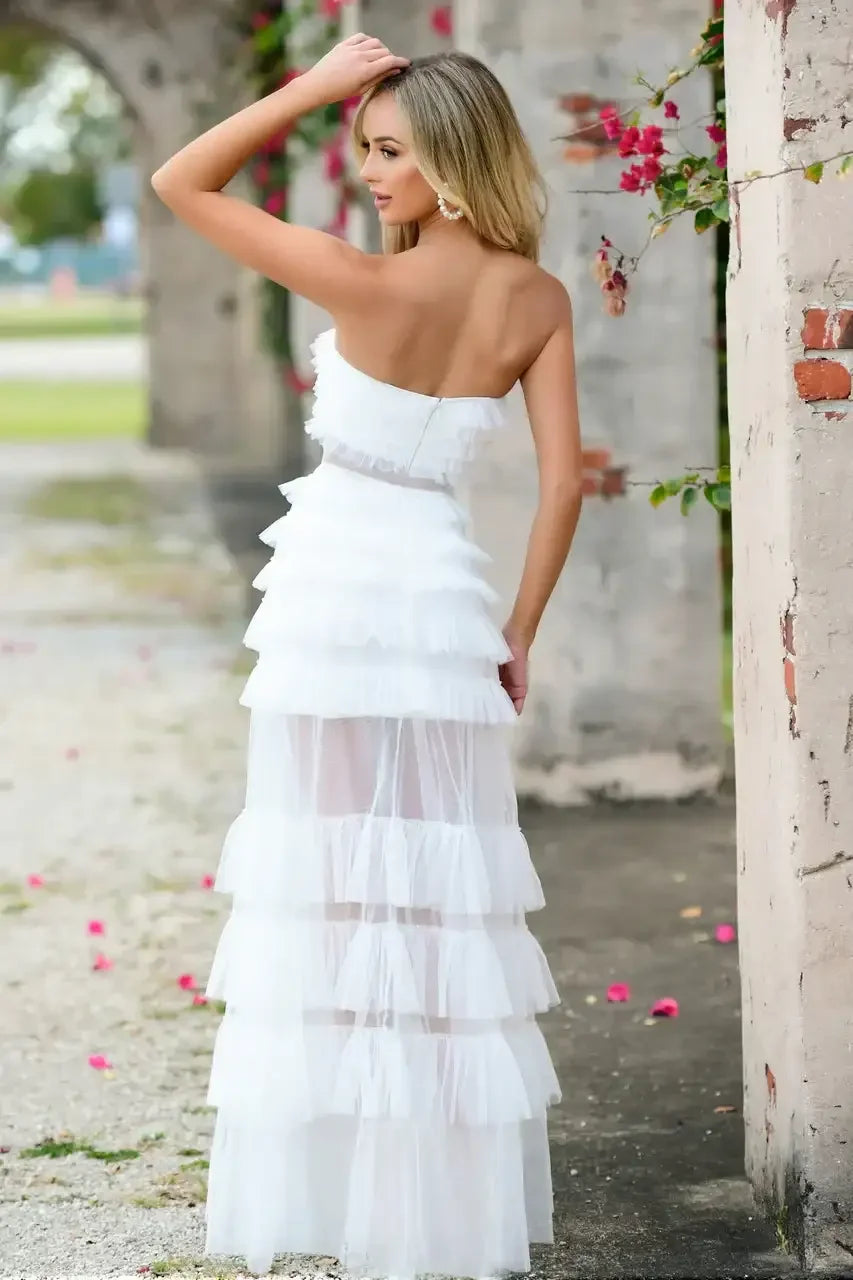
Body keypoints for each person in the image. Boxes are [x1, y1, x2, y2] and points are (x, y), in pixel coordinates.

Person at [151, 33, 583, 1280]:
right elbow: (561, 486)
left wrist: (315, 83)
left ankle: (348, 1201)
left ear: (451, 164)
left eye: (390, 150)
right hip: (443, 605)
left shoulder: (357, 281)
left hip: (336, 604)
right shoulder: (535, 297)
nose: (368, 169)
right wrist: (516, 632)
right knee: (434, 905)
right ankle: (430, 1218)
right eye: (363, 144)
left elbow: (187, 182)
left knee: (333, 895)